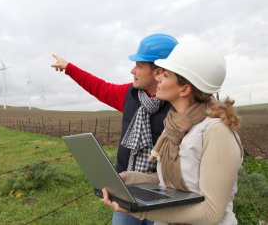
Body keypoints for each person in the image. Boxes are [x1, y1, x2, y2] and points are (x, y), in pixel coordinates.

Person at [101, 39, 243, 225]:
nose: (158, 78)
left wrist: (140, 212)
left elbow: (211, 213)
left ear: (185, 89)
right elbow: (168, 181)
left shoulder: (216, 133)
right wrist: (129, 178)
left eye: (166, 75)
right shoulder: (174, 125)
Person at [51, 34, 178, 225]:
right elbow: (100, 88)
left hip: (166, 196)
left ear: (158, 72)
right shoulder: (130, 95)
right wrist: (69, 68)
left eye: (139, 66)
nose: (132, 70)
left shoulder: (181, 106)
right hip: (127, 190)